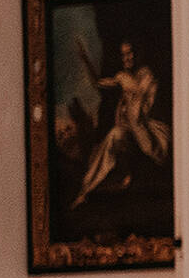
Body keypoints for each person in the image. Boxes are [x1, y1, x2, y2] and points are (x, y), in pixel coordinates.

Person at [69, 39, 172, 209]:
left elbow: (143, 109)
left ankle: (136, 175)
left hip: (147, 126)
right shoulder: (122, 76)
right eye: (123, 55)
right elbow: (99, 83)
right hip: (129, 127)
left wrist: (132, 91)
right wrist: (85, 60)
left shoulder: (146, 75)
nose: (127, 58)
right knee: (114, 136)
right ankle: (86, 189)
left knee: (153, 148)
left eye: (130, 53)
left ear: (137, 54)